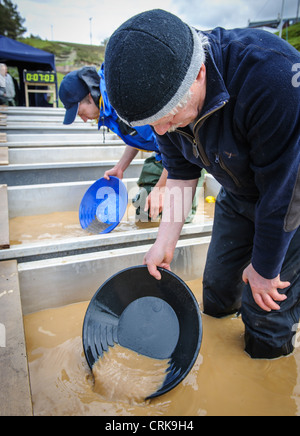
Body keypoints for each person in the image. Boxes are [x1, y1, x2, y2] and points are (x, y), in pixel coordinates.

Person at [104, 9, 300, 359]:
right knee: (217, 291)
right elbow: (180, 170)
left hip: (292, 201)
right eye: (154, 125)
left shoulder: (272, 77)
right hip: (240, 193)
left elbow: (285, 194)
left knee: (266, 310)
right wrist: (165, 241)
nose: (162, 132)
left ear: (199, 74)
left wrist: (264, 270)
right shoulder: (162, 100)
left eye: (168, 119)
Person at [58, 64, 199, 222]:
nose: (84, 119)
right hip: (163, 155)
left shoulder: (123, 100)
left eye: (81, 113)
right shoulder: (109, 110)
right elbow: (138, 134)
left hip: (186, 154)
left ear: (90, 97)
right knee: (145, 213)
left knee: (176, 217)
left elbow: (177, 145)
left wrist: (162, 187)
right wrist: (120, 167)